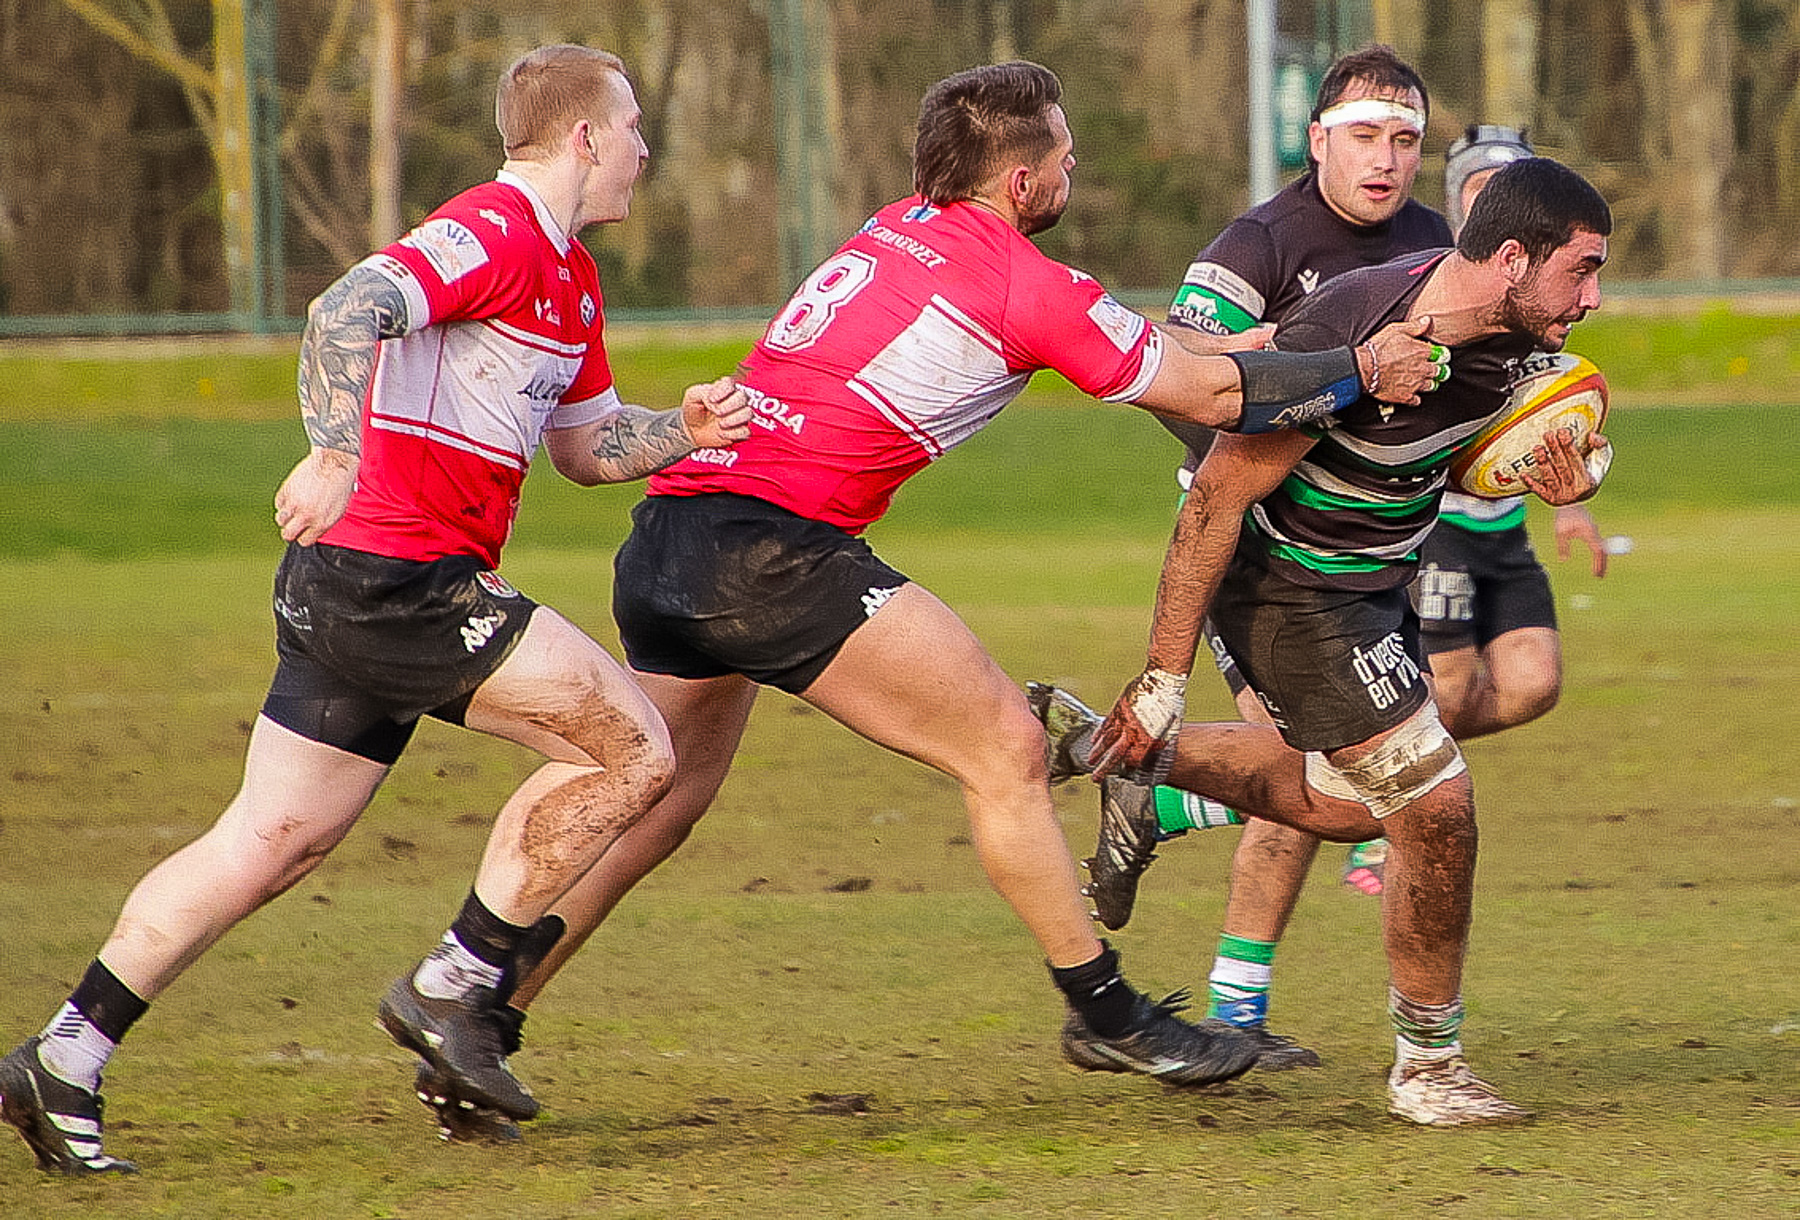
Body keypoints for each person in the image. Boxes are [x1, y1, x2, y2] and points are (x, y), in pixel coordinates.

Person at [397, 59, 1451, 1143]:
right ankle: (1108, 1010)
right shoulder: (1017, 280)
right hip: (774, 552)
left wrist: (1262, 344)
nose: (1074, 163)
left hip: (674, 537)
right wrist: (1358, 368)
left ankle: (476, 1011)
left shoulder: (900, 224)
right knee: (1001, 741)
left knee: (655, 802)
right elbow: (1212, 397)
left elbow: (1142, 336)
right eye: (1062, 151)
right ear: (1022, 180)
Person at [0, 44, 754, 1175]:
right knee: (636, 748)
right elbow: (345, 307)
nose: (647, 146)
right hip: (395, 580)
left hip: (376, 590)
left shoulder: (571, 280)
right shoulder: (494, 227)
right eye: (635, 125)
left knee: (269, 839)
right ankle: (455, 986)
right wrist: (338, 451)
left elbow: (586, 449)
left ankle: (62, 1054)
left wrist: (683, 433)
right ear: (587, 137)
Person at [1079, 155, 1613, 1126]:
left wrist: (1558, 480)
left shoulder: (1525, 348)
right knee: (1435, 803)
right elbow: (1216, 496)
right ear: (1508, 258)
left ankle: (1146, 773)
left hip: (1377, 589)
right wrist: (1163, 669)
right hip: (1289, 591)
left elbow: (1495, 448)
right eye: (1581, 270)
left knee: (1345, 802)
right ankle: (1430, 1062)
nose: (1595, 296)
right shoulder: (1360, 327)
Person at [1032, 44, 1453, 1074]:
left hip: (1370, 562)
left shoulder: (1440, 243)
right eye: (1364, 135)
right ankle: (1232, 993)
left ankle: (1157, 795)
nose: (1385, 158)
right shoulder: (1266, 237)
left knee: (1328, 780)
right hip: (1260, 555)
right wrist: (1299, 369)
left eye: (1405, 139)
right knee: (1338, 774)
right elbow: (1180, 368)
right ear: (1317, 140)